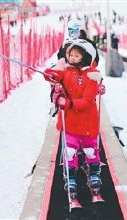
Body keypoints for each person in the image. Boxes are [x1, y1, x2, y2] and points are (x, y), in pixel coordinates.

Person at [44, 39, 102, 201]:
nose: (72, 58)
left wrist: (68, 103)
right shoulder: (66, 71)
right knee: (69, 151)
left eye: (76, 55)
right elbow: (54, 75)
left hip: (87, 122)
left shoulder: (91, 77)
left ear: (84, 57)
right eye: (70, 54)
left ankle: (95, 173)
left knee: (90, 151)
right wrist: (50, 74)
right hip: (70, 121)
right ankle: (70, 176)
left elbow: (87, 101)